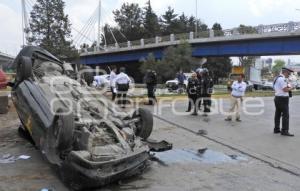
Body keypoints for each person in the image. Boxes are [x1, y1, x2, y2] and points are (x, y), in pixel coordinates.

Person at [273, 67, 294, 136]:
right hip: (282, 99)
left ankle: (276, 129)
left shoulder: (276, 78)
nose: (289, 75)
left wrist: (288, 85)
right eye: (288, 73)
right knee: (285, 115)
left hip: (277, 98)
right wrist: (291, 88)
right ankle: (284, 130)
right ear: (285, 72)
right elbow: (285, 90)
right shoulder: (282, 79)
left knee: (278, 114)